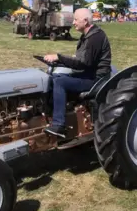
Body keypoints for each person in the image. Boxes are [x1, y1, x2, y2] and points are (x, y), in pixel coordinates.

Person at [43, 8, 112, 138]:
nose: (73, 22)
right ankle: (52, 112)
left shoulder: (95, 37)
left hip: (96, 79)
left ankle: (59, 125)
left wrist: (59, 57)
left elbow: (83, 63)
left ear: (85, 21)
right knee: (55, 77)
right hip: (87, 74)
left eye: (76, 19)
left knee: (60, 82)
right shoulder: (88, 35)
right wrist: (60, 61)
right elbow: (80, 59)